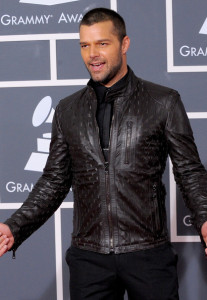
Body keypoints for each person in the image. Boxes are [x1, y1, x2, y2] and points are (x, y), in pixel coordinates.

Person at [0, 7, 207, 300]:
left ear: (124, 44)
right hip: (89, 259)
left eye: (102, 43)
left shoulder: (163, 102)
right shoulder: (67, 110)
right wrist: (15, 226)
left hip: (148, 253)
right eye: (85, 45)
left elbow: (189, 170)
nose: (92, 54)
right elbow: (54, 181)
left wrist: (205, 217)